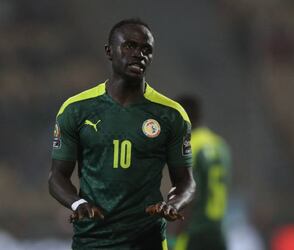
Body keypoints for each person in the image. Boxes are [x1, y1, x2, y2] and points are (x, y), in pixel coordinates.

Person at [48, 18, 196, 250]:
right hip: (92, 240)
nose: (139, 54)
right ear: (109, 51)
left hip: (147, 240)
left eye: (146, 49)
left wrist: (174, 203)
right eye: (130, 46)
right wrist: (77, 204)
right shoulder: (76, 109)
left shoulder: (172, 115)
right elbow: (57, 177)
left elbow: (186, 181)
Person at [170, 95, 231, 250]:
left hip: (194, 232)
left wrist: (176, 233)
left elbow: (190, 194)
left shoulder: (190, 146)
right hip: (218, 232)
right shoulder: (220, 145)